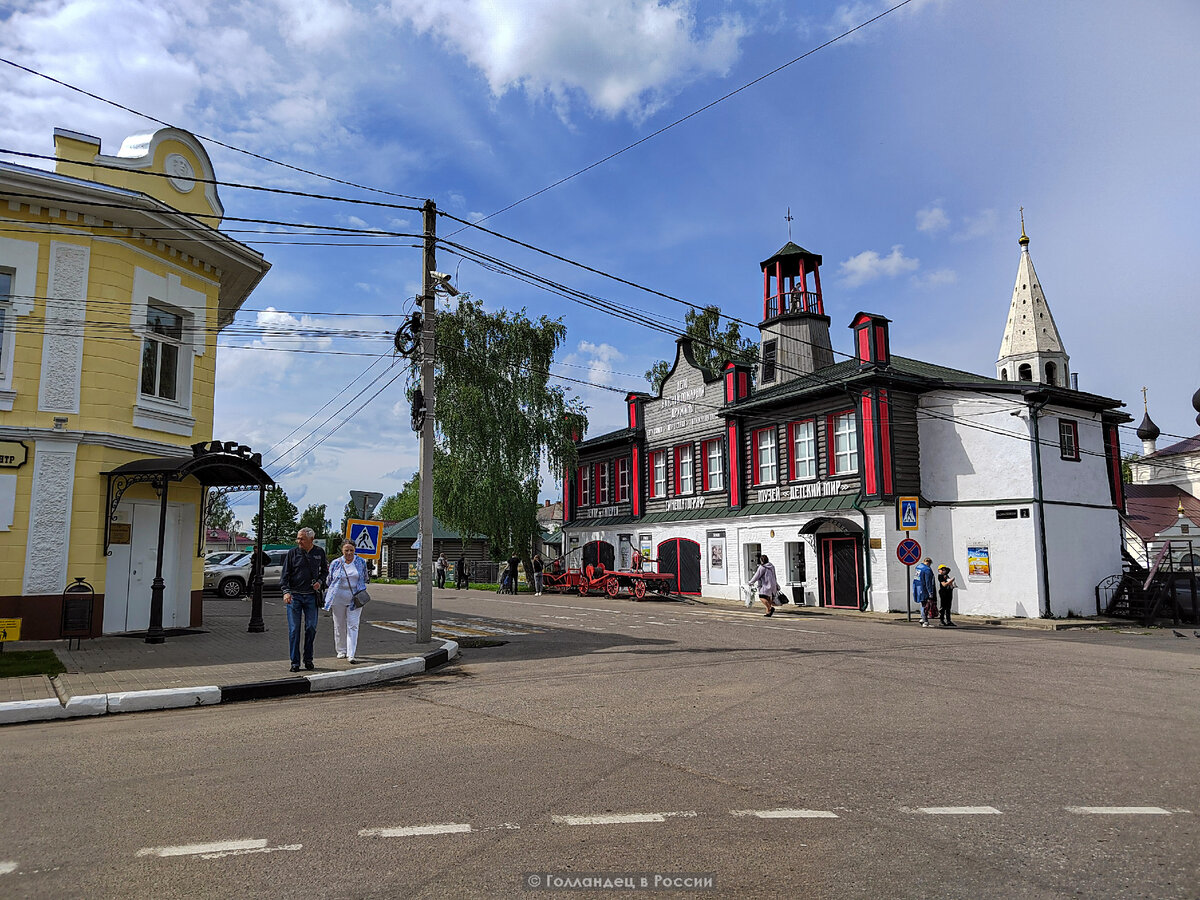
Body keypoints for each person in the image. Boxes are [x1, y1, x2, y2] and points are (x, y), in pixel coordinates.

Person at [281, 527, 329, 671]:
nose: (298, 541)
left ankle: (308, 659)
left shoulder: (319, 552)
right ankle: (295, 662)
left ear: (311, 540)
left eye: (302, 539)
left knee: (311, 628)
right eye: (298, 538)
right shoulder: (292, 553)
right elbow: (285, 575)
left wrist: (319, 582)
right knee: (294, 629)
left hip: (311, 596)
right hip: (294, 596)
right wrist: (286, 591)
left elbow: (325, 572)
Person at [325, 540, 369, 663]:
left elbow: (365, 577)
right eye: (346, 550)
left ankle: (351, 654)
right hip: (338, 598)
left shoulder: (360, 562)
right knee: (339, 625)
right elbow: (329, 580)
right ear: (342, 550)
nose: (349, 553)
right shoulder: (336, 563)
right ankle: (341, 650)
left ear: (355, 550)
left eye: (351, 550)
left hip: (355, 598)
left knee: (353, 625)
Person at [748, 553, 779, 617]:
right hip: (772, 584)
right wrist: (776, 584)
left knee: (762, 597)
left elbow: (757, 576)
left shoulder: (762, 567)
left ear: (761, 560)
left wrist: (751, 582)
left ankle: (770, 609)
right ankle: (768, 613)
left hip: (765, 585)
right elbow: (774, 576)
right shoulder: (772, 566)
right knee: (768, 599)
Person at [913, 557, 937, 627]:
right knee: (926, 605)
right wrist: (930, 593)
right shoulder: (927, 570)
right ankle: (925, 621)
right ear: (929, 563)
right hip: (924, 590)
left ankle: (922, 618)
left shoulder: (918, 567)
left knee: (922, 604)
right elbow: (928, 582)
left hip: (917, 588)